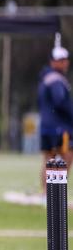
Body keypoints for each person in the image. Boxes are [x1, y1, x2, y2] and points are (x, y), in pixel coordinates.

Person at [38, 45, 73, 193]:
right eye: (61, 60)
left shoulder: (45, 78)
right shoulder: (57, 80)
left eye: (65, 59)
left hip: (46, 127)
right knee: (67, 156)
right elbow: (60, 102)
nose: (65, 63)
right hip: (60, 128)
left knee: (48, 160)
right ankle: (56, 194)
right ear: (53, 61)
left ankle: (45, 194)